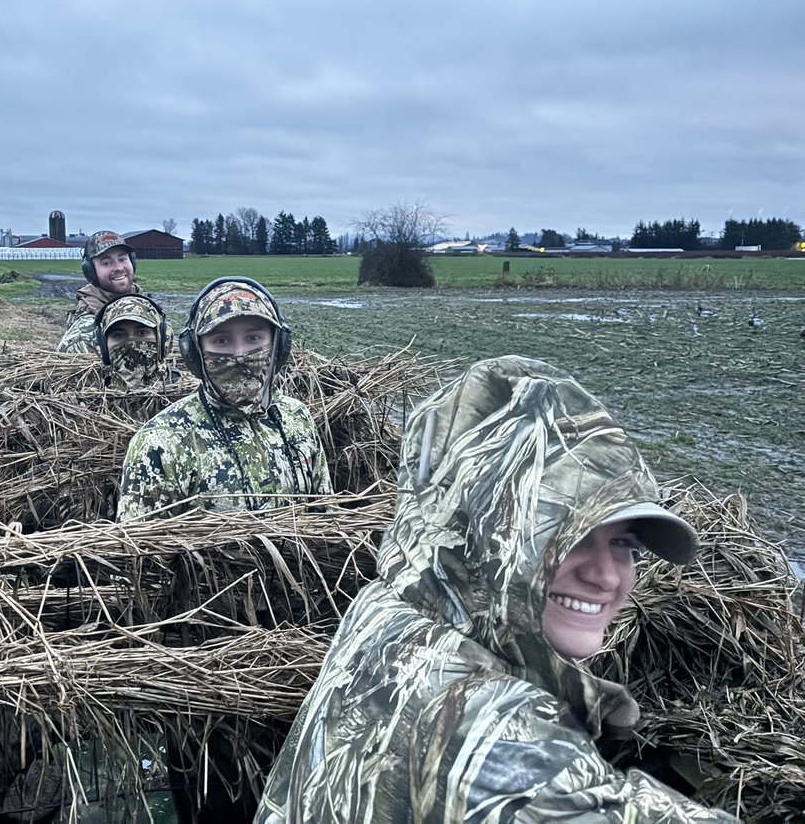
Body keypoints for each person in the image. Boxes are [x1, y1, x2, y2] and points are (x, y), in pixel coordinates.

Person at [256, 355, 739, 823]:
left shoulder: (391, 607)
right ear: (479, 537)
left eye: (623, 543)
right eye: (559, 538)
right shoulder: (503, 736)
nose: (607, 575)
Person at [116, 277, 331, 521]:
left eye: (253, 339)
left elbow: (324, 521)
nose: (239, 355)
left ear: (278, 346)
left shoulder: (297, 419)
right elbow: (139, 555)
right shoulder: (159, 443)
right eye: (222, 340)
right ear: (195, 354)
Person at [57, 231, 144, 353]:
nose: (119, 268)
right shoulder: (86, 336)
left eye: (122, 259)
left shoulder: (147, 308)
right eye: (106, 263)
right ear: (90, 272)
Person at [93, 294, 176, 390]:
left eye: (142, 333)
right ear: (103, 346)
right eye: (119, 335)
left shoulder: (183, 390)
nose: (131, 343)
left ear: (162, 340)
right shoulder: (87, 390)